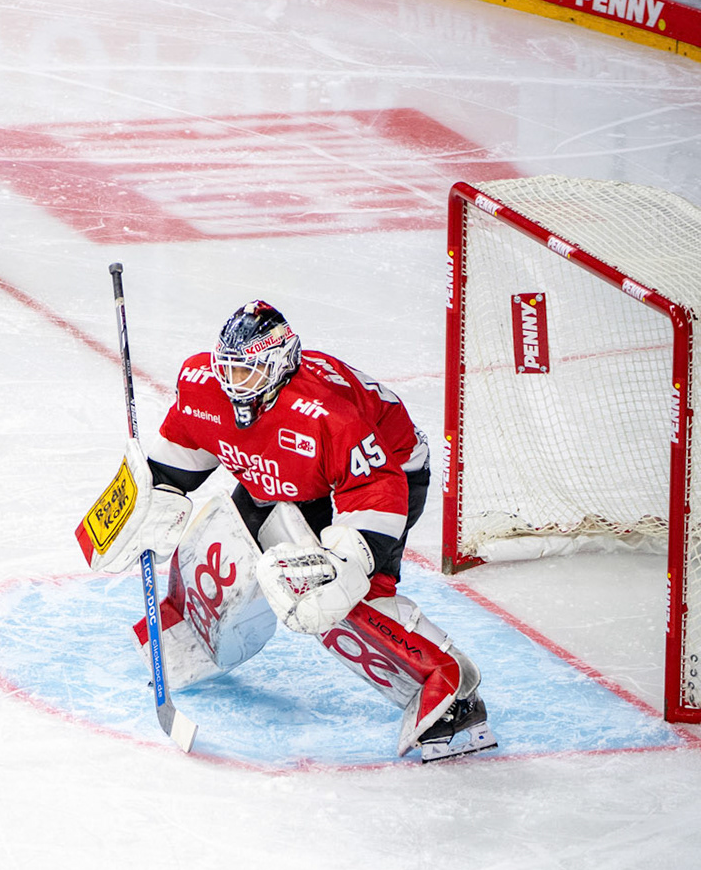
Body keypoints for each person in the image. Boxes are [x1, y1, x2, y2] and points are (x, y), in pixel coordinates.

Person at [79, 301, 495, 761]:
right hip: (295, 471)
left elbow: (379, 486)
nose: (234, 384)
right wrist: (151, 495)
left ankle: (450, 692)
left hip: (386, 471)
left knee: (326, 593)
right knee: (230, 538)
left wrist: (348, 561)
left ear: (278, 366)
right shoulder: (203, 384)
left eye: (248, 373)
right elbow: (187, 445)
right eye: (228, 370)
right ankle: (190, 634)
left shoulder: (328, 415)